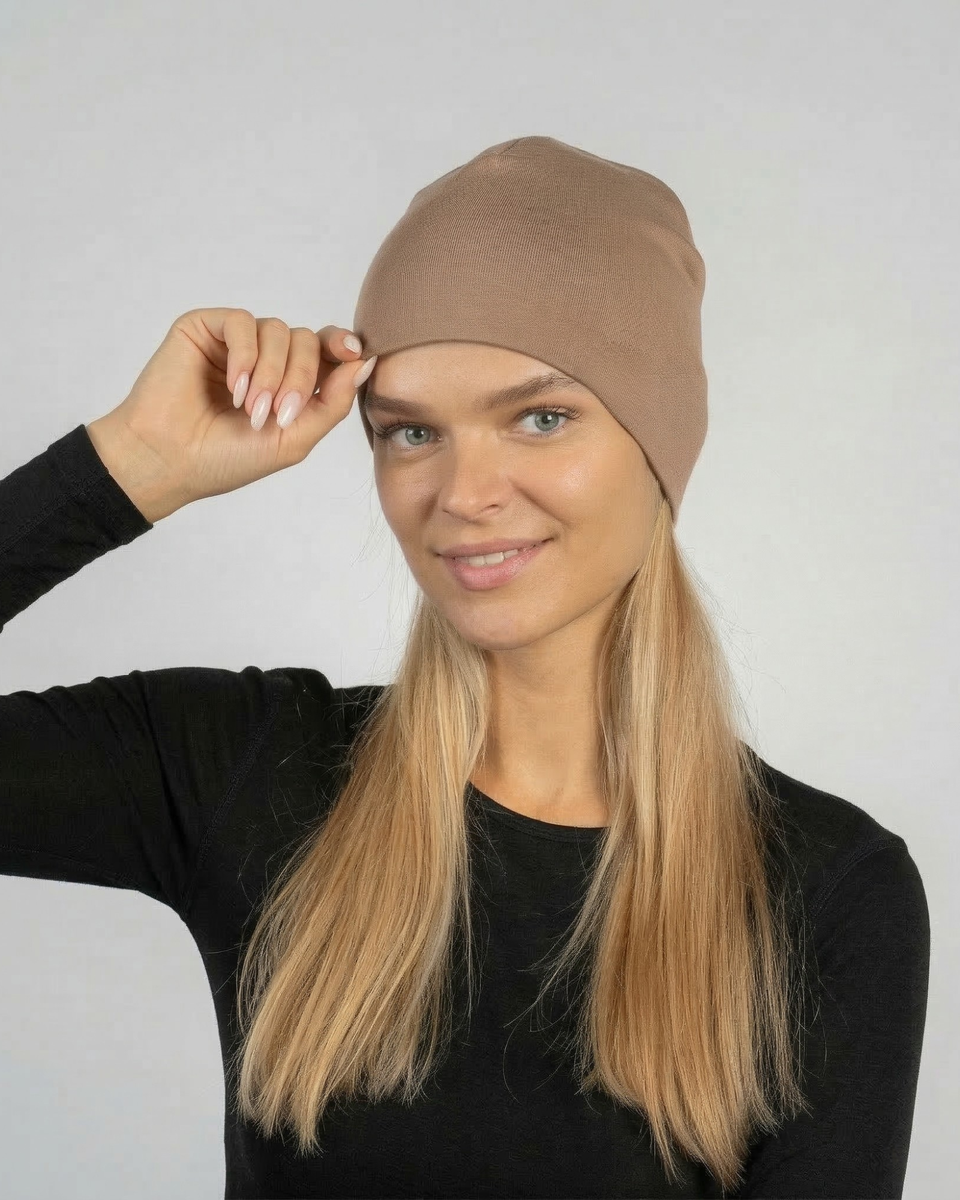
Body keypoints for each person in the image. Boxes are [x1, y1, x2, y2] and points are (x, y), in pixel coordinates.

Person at [0, 137, 929, 1199]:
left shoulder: (828, 892)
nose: (464, 492)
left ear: (658, 442)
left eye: (541, 418)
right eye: (410, 433)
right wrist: (129, 465)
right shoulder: (255, 769)